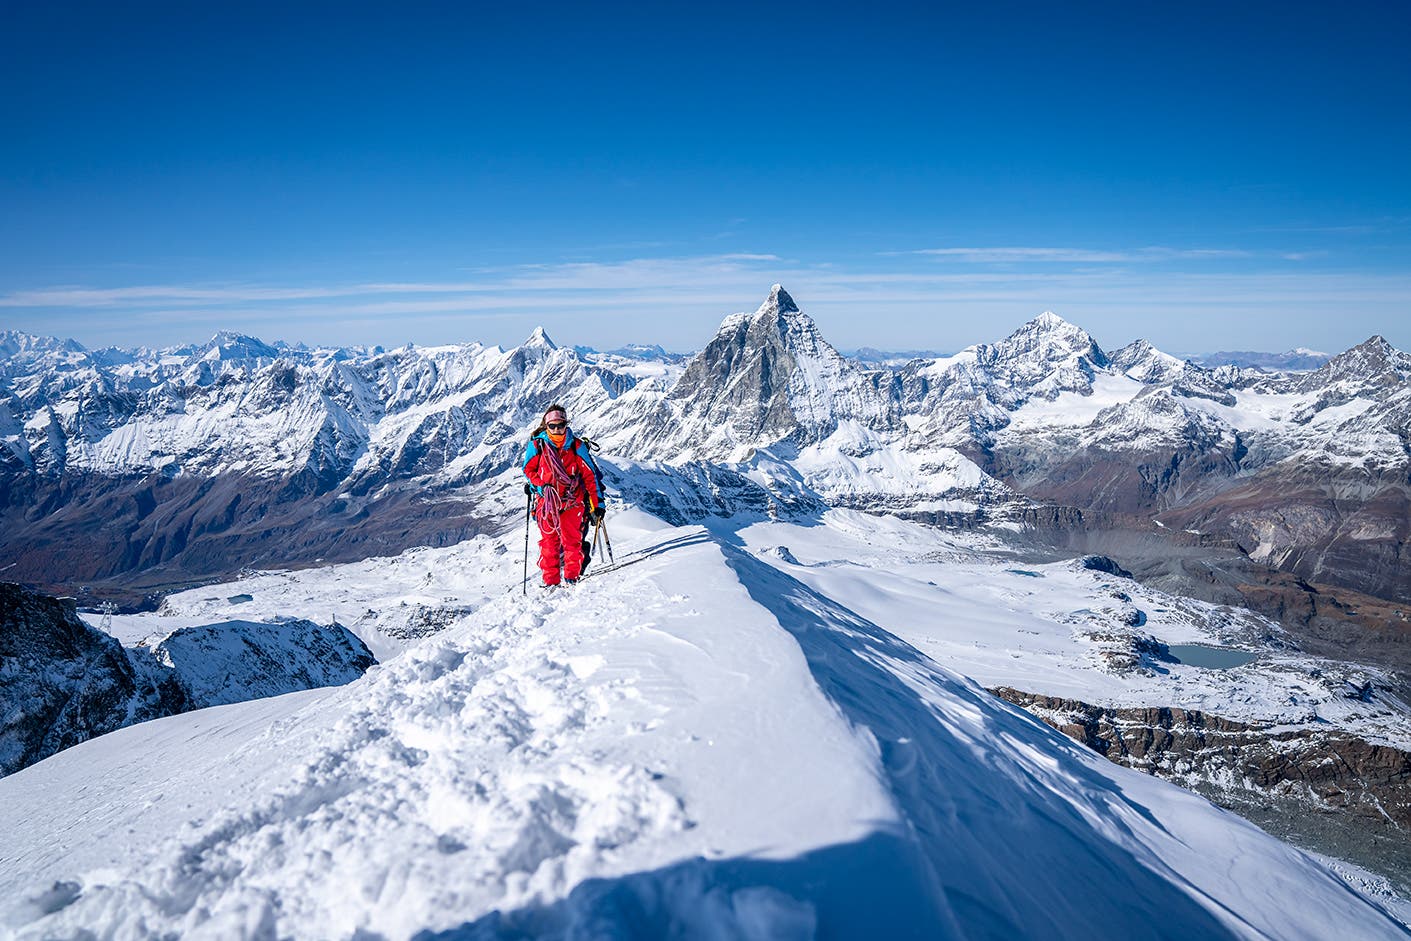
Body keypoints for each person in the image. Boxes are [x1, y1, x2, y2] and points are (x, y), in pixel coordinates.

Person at [522, 404, 605, 586]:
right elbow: (528, 470)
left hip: (572, 501)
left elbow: (590, 477)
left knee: (572, 543)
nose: (557, 430)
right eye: (553, 426)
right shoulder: (537, 445)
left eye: (561, 425)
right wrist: (540, 486)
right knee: (549, 545)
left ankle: (571, 579)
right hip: (547, 502)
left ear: (566, 425)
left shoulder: (576, 446)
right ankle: (551, 583)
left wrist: (598, 505)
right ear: (546, 426)